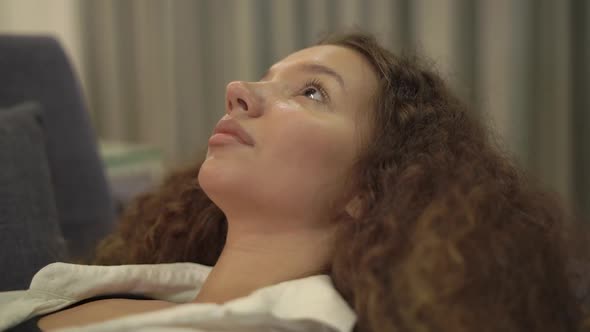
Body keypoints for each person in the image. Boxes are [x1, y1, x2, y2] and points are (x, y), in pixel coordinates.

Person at [0, 32, 587, 332]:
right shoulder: (139, 288)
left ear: (372, 189)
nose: (240, 90)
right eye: (266, 77)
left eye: (312, 92)